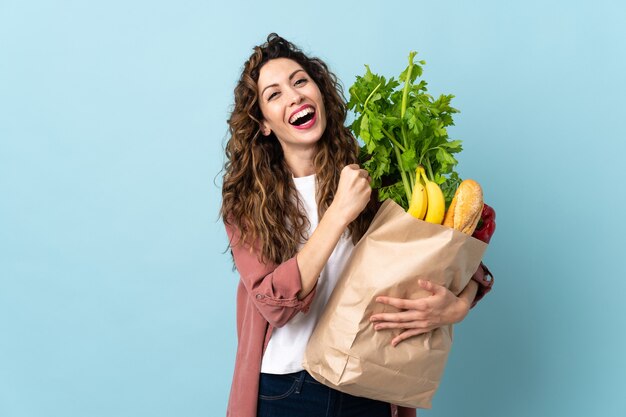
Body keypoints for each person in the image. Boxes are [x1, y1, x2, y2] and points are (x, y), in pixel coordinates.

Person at [220, 33, 493, 417]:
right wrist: (338, 214)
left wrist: (457, 306)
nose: (294, 96)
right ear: (263, 123)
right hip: (288, 389)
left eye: (300, 81)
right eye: (274, 94)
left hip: (370, 379)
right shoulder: (248, 203)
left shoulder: (380, 173)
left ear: (320, 92)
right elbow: (274, 306)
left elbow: (455, 254)